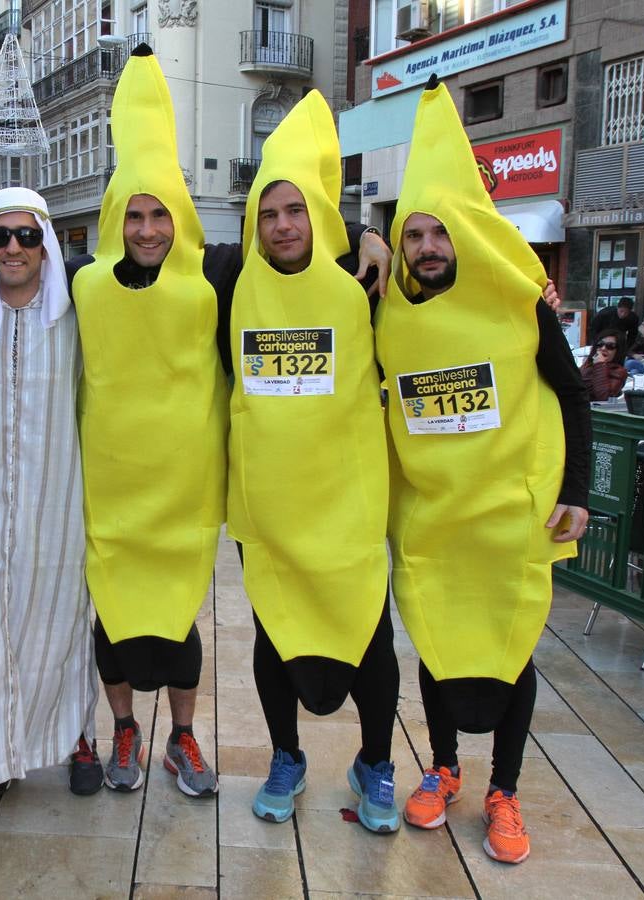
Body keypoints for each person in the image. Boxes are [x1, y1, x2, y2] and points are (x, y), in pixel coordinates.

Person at [65, 47, 391, 800]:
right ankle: (151, 733)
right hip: (146, 495)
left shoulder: (249, 276)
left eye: (159, 216)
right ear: (117, 218)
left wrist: (376, 230)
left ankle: (208, 738)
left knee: (205, 621)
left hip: (257, 498)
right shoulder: (92, 284)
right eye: (135, 216)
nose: (147, 230)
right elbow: (10, 287)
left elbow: (328, 264)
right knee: (126, 618)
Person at [374, 79, 590, 865]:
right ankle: (441, 769)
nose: (426, 247)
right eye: (413, 235)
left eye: (439, 234)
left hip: (508, 514)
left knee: (507, 648)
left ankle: (504, 788)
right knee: (436, 643)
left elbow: (570, 393)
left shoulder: (519, 301)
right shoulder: (388, 308)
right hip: (433, 515)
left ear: (463, 235)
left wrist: (575, 492)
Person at [228, 91, 400, 832]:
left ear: (316, 218)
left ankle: (376, 763)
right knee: (276, 634)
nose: (282, 225)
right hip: (267, 509)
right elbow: (129, 261)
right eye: (269, 213)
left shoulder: (364, 285)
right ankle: (286, 756)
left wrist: (369, 232)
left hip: (347, 503)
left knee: (370, 638)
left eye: (295, 211)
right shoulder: (224, 276)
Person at [0, 187, 100, 794]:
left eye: (27, 235)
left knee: (62, 621)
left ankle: (78, 738)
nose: (13, 248)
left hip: (56, 501)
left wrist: (367, 239)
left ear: (46, 243)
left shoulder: (76, 316)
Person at [580, 330, 629, 400]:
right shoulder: (588, 364)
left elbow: (603, 397)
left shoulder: (619, 371)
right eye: (600, 344)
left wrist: (600, 364)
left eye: (610, 346)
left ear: (618, 351)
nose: (603, 348)